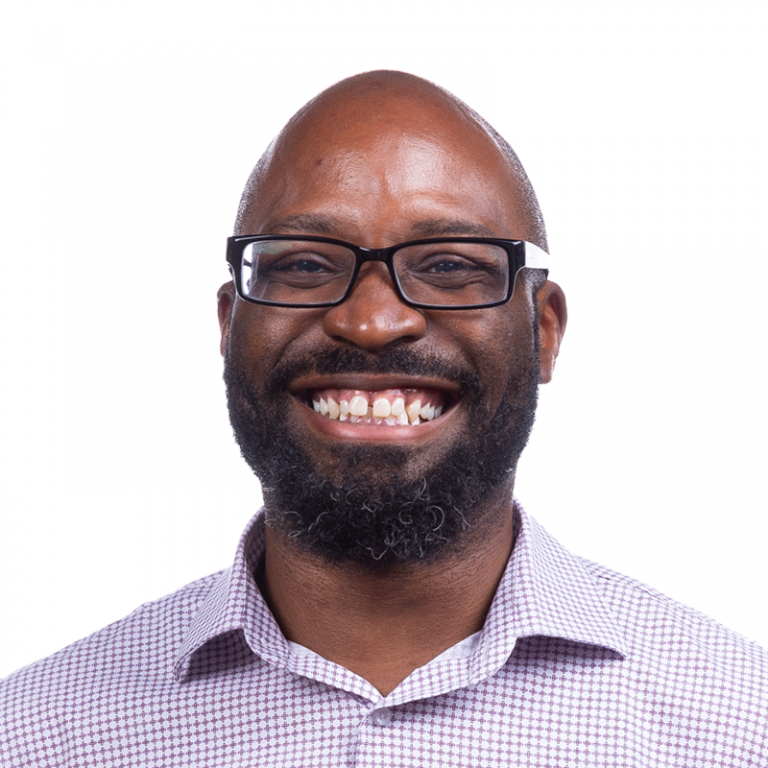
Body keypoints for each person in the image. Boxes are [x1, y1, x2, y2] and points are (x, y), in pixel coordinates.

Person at [1, 70, 765, 767]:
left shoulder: (738, 729)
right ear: (230, 325)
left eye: (449, 265)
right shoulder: (36, 736)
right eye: (305, 264)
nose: (371, 323)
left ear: (545, 331)